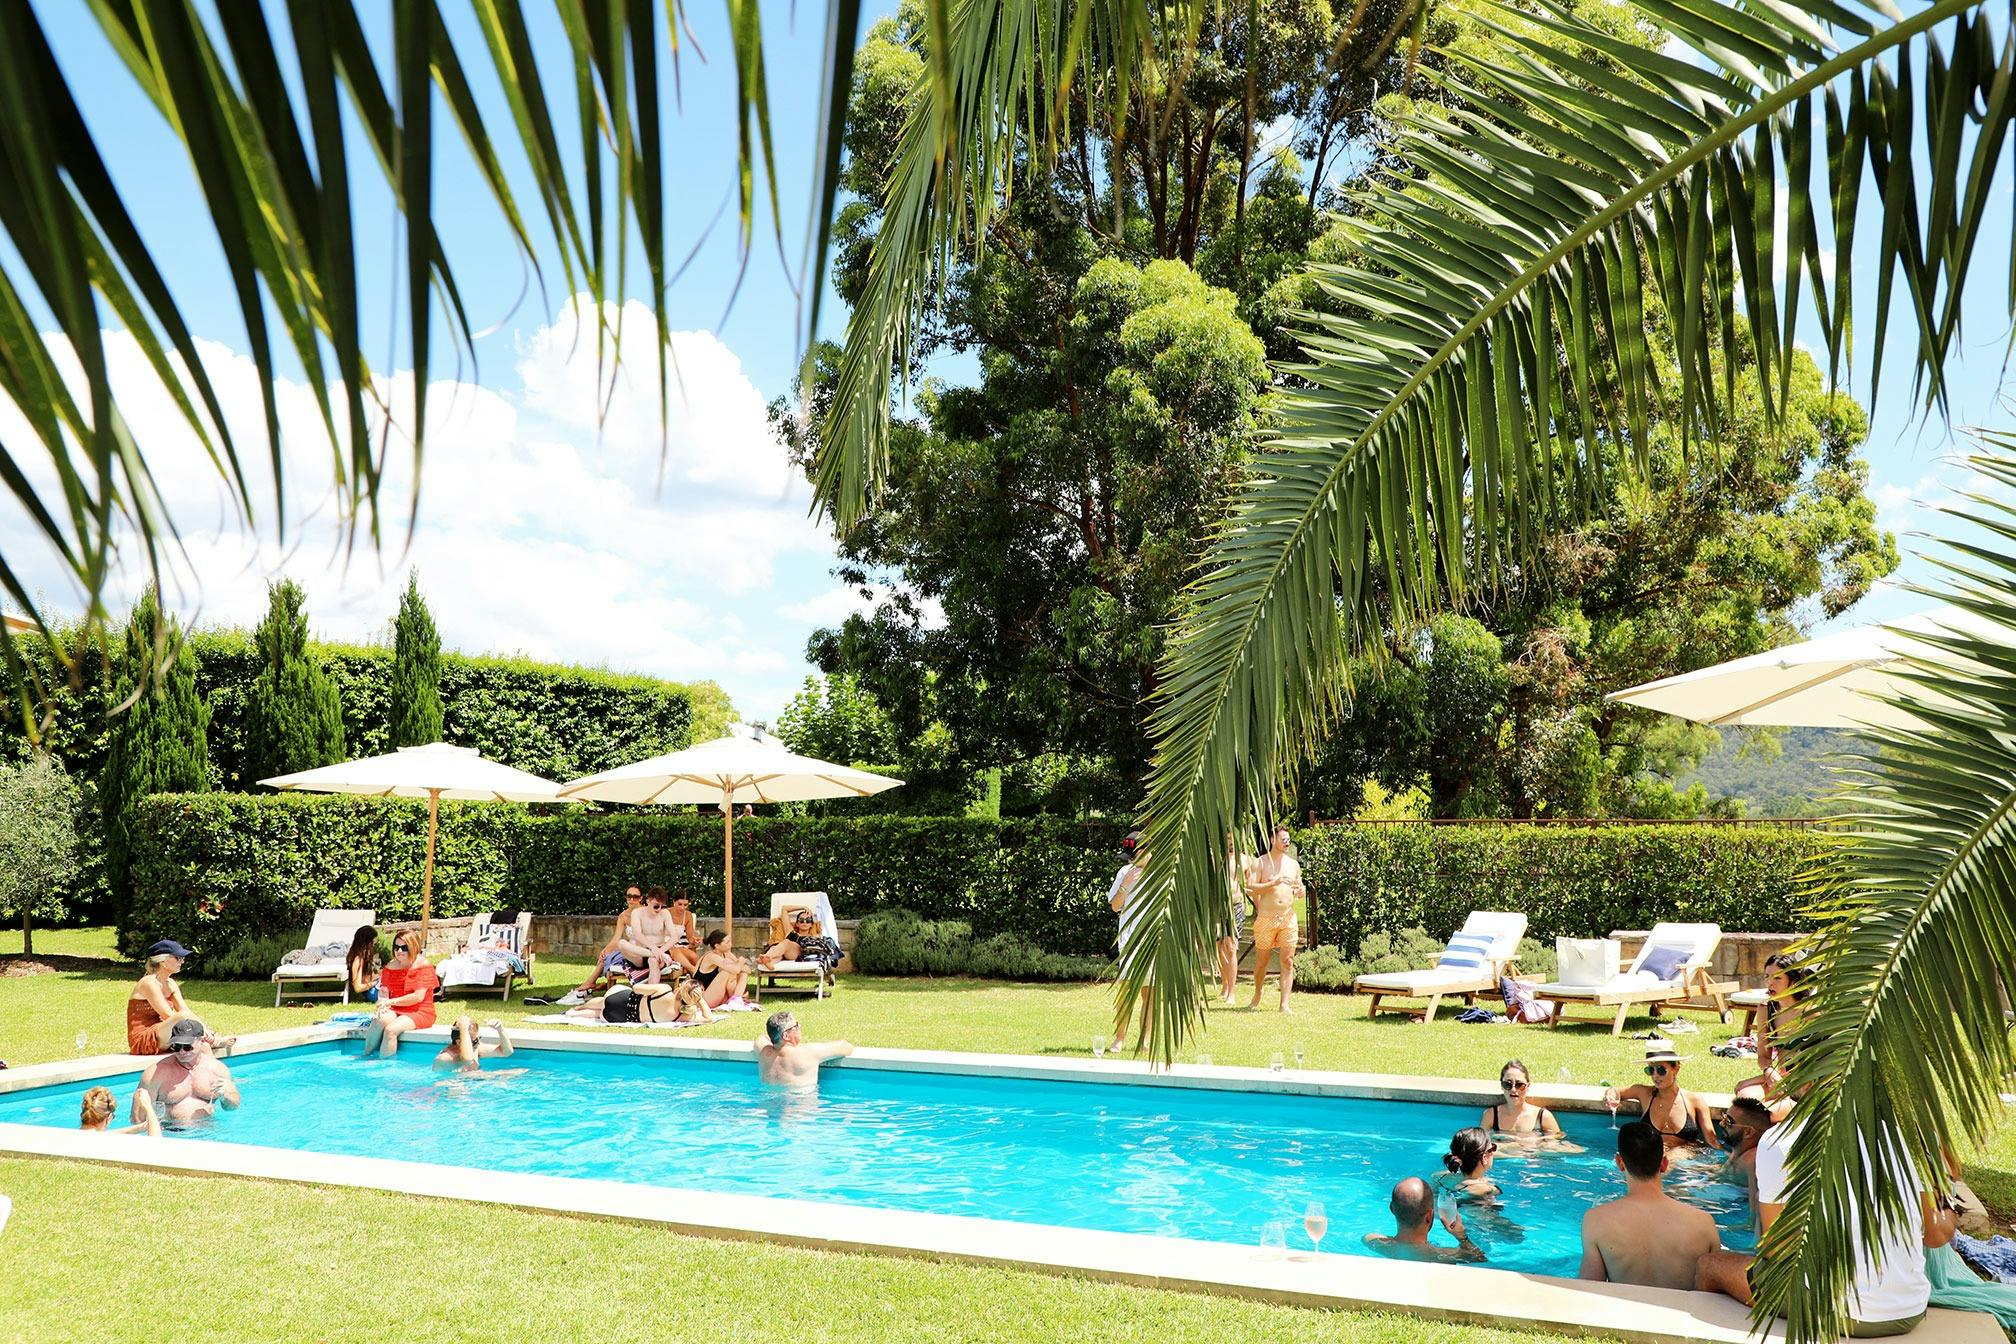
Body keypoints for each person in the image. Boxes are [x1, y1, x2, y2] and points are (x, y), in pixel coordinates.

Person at [1696, 1107, 1951, 1336]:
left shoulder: (1783, 1140)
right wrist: (1949, 1207)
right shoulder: (1906, 1133)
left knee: (1710, 1265)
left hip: (1835, 1310)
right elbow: (1936, 1235)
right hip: (1909, 1309)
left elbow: (1776, 1250)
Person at [1577, 1120, 1722, 1289]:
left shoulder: (1596, 1220)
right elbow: (1715, 1286)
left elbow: (1590, 1288)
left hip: (1625, 1306)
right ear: (1664, 1164)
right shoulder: (1703, 1222)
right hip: (1680, 1306)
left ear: (1619, 1162)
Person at [1602, 1040, 1721, 1151]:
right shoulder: (1644, 1093)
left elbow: (1712, 1140)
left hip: (1685, 1158)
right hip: (1653, 1157)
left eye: (1661, 1070)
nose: (1655, 1075)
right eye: (1650, 1070)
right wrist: (1611, 1096)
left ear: (1676, 1068)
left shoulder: (1694, 1100)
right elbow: (1614, 1090)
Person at [1736, 953, 1811, 1120]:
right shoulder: (1766, 1009)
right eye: (1767, 976)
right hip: (1783, 1080)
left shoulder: (1809, 1011)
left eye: (1777, 978)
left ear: (1793, 981)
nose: (1770, 982)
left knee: (1762, 1112)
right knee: (1744, 1095)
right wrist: (1769, 1071)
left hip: (1808, 1083)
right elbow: (1763, 1056)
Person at [1242, 824, 1305, 1013]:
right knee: (1262, 962)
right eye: (1283, 839)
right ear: (1272, 840)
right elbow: (1250, 888)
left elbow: (1299, 888)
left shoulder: (1293, 864)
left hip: (1288, 917)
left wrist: (1300, 891)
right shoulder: (1260, 863)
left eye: (1288, 840)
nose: (1287, 842)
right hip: (1266, 917)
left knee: (1288, 961)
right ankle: (1258, 992)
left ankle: (1284, 1004)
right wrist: (1272, 883)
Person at [135, 1018, 239, 1125]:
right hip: (171, 1131)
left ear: (202, 1041)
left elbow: (232, 1107)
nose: (181, 1052)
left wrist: (225, 1096)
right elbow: (137, 1118)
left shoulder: (217, 1069)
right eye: (176, 1046)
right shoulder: (155, 1074)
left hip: (209, 1130)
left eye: (187, 1046)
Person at [1364, 1176, 1485, 1263]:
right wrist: (1461, 1237)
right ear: (1429, 1216)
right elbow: (1478, 1257)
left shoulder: (1372, 1241)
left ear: (1391, 1209)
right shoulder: (1441, 1256)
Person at [1108, 832, 1153, 1053]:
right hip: (1128, 939)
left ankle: (1145, 1041)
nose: (1131, 861)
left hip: (1152, 938)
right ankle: (1119, 1039)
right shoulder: (1124, 872)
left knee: (1149, 992)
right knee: (1126, 990)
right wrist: (1125, 885)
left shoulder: (1160, 873)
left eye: (1133, 856)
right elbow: (1115, 906)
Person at [361, 930, 438, 1058]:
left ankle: (386, 1065)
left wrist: (391, 1001)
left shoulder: (423, 966)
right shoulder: (391, 966)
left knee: (391, 1030)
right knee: (378, 1021)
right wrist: (383, 1005)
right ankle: (365, 1056)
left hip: (420, 1011)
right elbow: (384, 991)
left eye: (404, 948)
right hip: (396, 1008)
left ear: (413, 947)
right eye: (396, 947)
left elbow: (417, 997)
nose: (399, 951)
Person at [562, 885, 645, 1004]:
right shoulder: (623, 916)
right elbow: (616, 939)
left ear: (641, 898)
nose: (631, 899)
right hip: (629, 948)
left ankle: (589, 984)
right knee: (605, 956)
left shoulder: (646, 912)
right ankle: (590, 984)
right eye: (629, 896)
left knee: (611, 956)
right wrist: (605, 951)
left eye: (635, 897)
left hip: (643, 949)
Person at [126, 939, 209, 1055]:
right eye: (178, 958)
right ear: (163, 961)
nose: (182, 961)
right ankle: (212, 1039)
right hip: (143, 1039)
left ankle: (212, 1039)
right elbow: (168, 1015)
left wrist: (205, 1029)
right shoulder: (148, 982)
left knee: (202, 1045)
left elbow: (185, 1011)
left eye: (182, 958)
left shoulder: (171, 983)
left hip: (164, 1033)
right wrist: (200, 1031)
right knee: (183, 1017)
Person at [755, 1010, 852, 1089]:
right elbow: (846, 1047)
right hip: (801, 1105)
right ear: (786, 1036)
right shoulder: (807, 1052)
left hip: (769, 1105)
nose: (799, 1026)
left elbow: (761, 1038)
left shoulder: (764, 1052)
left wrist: (776, 1040)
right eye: (796, 1026)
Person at [1483, 1059, 1563, 1137]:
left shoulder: (1543, 1117)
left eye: (1519, 1085)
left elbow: (1557, 1142)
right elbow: (1480, 1142)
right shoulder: (1490, 1116)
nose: (1513, 1090)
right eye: (1507, 1084)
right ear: (1502, 1086)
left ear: (1528, 1086)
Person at [620, 886, 684, 982]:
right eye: (656, 906)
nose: (659, 909)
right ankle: (657, 955)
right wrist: (655, 950)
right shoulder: (637, 913)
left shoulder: (665, 913)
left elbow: (674, 937)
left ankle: (650, 992)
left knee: (653, 960)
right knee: (621, 943)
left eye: (662, 906)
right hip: (641, 953)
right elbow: (637, 934)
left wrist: (660, 951)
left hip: (660, 950)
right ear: (648, 901)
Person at [568, 981, 686, 1024]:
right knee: (598, 1014)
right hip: (615, 1017)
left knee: (603, 1002)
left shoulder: (665, 989)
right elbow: (700, 1017)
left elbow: (636, 988)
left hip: (618, 999)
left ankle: (579, 1008)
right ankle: (575, 1014)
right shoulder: (678, 1016)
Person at [1718, 1097, 1775, 1186]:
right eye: (1724, 1117)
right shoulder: (1738, 1149)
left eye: (1728, 1121)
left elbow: (1756, 1195)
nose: (1721, 1123)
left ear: (1748, 1132)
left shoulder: (1752, 1161)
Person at [1438, 1127, 1503, 1203]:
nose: (1493, 1153)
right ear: (1484, 1157)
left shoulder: (1440, 1178)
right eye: (1493, 1148)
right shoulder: (1487, 1190)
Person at [1218, 832, 1246, 1006]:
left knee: (1231, 947)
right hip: (1218, 907)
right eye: (1227, 839)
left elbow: (1252, 882)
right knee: (1219, 947)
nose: (1230, 842)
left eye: (1232, 839)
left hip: (1236, 906)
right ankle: (1225, 983)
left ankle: (1232, 993)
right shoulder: (1216, 858)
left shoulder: (1244, 860)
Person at [692, 931, 751, 1009]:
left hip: (716, 994)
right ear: (717, 946)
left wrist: (739, 964)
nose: (730, 944)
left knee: (743, 973)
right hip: (702, 999)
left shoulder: (726, 954)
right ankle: (736, 999)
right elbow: (736, 969)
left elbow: (747, 969)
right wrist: (740, 962)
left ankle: (736, 998)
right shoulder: (711, 956)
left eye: (730, 942)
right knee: (726, 973)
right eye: (727, 942)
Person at [434, 1016, 516, 1072]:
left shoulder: (475, 1048)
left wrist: (500, 1030)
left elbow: (507, 1052)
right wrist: (464, 1028)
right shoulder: (445, 1058)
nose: (478, 1042)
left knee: (515, 1072)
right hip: (451, 1085)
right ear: (459, 1042)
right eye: (475, 1041)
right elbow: (467, 1060)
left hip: (472, 1081)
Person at [80, 1085, 159, 1137]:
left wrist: (139, 1128)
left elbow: (98, 1134)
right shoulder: (107, 1145)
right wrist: (148, 1107)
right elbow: (156, 1146)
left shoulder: (74, 1137)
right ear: (109, 1118)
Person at [345, 925, 381, 1003]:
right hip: (371, 992)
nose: (373, 947)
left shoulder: (364, 956)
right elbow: (357, 988)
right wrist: (375, 982)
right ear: (367, 943)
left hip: (373, 987)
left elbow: (370, 976)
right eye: (372, 944)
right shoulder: (358, 959)